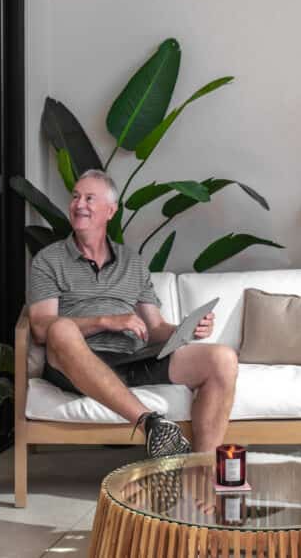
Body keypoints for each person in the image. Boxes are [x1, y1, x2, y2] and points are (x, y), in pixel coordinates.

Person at [28, 170, 239, 458]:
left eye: (90, 198)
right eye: (76, 197)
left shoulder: (132, 262)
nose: (79, 204)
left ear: (110, 211)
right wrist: (105, 321)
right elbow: (41, 328)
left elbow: (155, 327)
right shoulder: (49, 260)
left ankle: (201, 469)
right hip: (76, 363)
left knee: (222, 358)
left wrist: (186, 330)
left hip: (132, 360)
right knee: (60, 329)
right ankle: (151, 424)